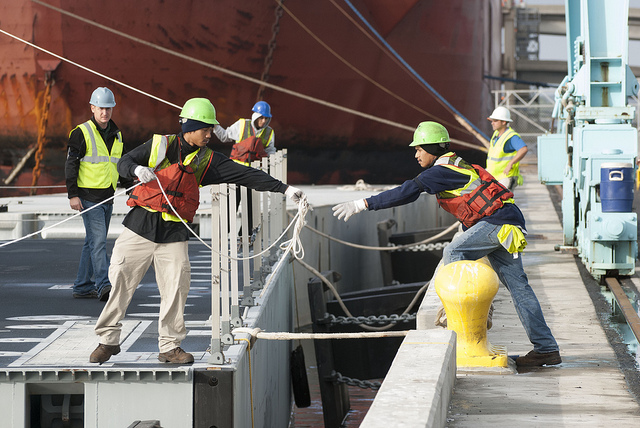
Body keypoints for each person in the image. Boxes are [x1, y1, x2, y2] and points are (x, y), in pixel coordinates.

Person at [90, 98, 305, 364]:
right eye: (205, 128)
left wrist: (286, 189)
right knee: (121, 281)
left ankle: (169, 347)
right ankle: (107, 341)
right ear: (189, 126)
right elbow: (124, 162)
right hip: (140, 226)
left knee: (176, 289)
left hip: (174, 233)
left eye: (211, 128)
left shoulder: (209, 161)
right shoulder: (161, 144)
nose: (210, 133)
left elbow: (246, 175)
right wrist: (137, 169)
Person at [332, 121, 561, 367]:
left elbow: (407, 191)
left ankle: (457, 317)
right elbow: (472, 208)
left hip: (497, 223)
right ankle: (546, 348)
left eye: (420, 149)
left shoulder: (440, 171)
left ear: (432, 148)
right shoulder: (456, 164)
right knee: (520, 289)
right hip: (507, 222)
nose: (416, 154)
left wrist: (362, 204)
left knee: (453, 251)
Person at [65, 87, 128, 301]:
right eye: (101, 108)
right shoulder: (81, 133)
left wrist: (129, 187)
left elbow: (120, 163)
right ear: (92, 108)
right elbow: (71, 165)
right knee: (99, 241)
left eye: (108, 108)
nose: (105, 112)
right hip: (88, 197)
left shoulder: (116, 134)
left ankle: (82, 285)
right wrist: (72, 195)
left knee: (92, 241)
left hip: (107, 197)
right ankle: (103, 285)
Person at [214, 101, 276, 234]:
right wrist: (215, 126)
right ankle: (223, 235)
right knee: (231, 205)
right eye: (261, 118)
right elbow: (224, 136)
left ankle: (245, 238)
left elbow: (270, 152)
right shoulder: (242, 125)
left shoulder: (269, 133)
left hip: (253, 175)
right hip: (235, 173)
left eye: (266, 118)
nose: (263, 121)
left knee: (251, 208)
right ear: (255, 116)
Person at [486, 106, 528, 191]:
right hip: (494, 177)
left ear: (504, 122)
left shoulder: (511, 137)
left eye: (495, 121)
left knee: (504, 202)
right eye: (492, 120)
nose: (492, 123)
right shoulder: (496, 135)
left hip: (505, 177)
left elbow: (523, 149)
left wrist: (510, 163)